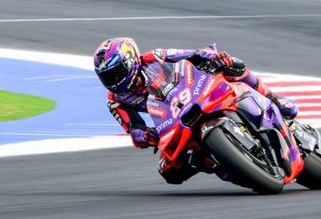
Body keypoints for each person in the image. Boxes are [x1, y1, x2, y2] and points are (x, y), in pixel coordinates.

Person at [93, 37, 298, 184]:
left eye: (116, 73)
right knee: (169, 172)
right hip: (173, 120)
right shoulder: (115, 101)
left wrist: (213, 58)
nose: (113, 81)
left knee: (233, 66)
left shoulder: (154, 57)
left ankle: (273, 99)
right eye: (106, 77)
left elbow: (192, 55)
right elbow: (134, 129)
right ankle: (225, 162)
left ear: (131, 62)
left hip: (194, 92)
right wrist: (145, 136)